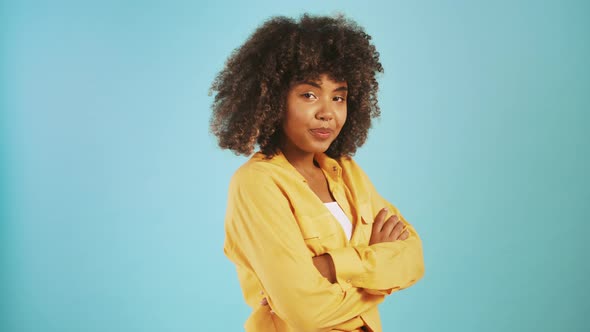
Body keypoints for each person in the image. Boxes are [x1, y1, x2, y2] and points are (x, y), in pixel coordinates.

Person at [209, 13, 425, 332]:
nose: (327, 113)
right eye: (309, 95)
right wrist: (375, 277)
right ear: (272, 98)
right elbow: (306, 312)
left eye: (338, 97)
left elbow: (413, 258)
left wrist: (330, 266)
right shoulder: (256, 184)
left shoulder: (348, 173)